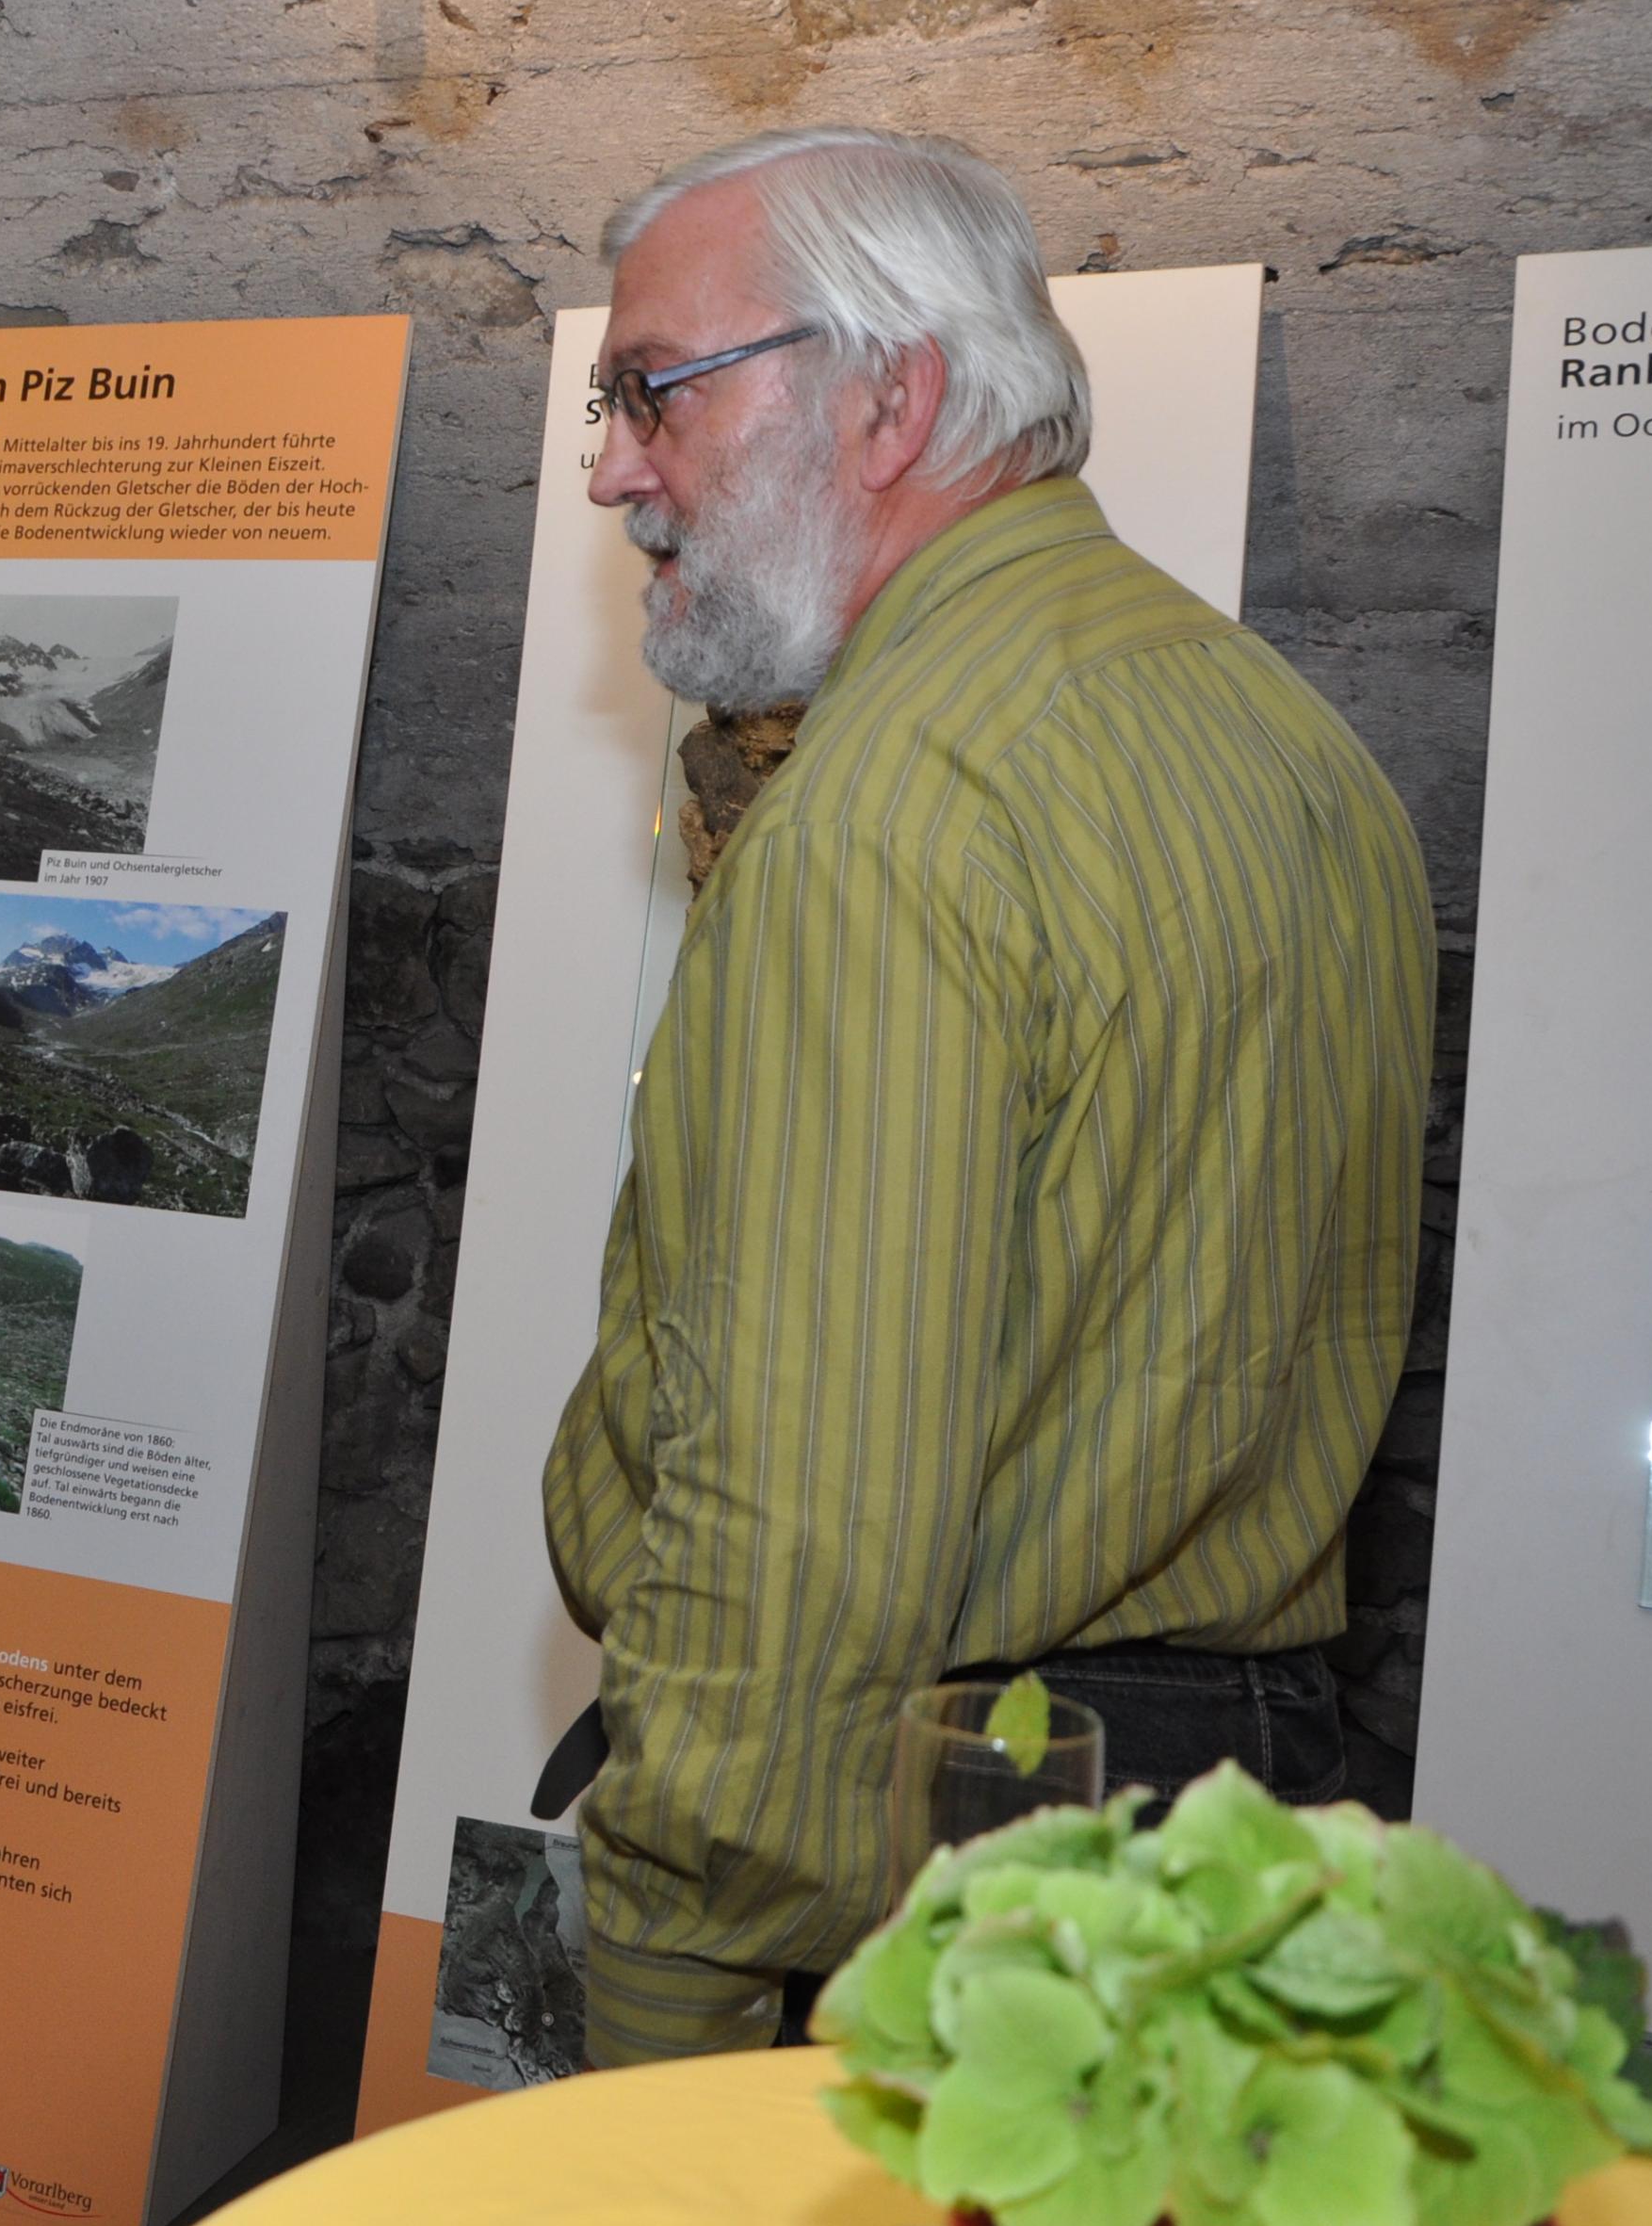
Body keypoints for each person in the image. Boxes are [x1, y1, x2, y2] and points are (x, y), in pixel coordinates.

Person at [541, 128, 1435, 2066]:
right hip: (1235, 1834)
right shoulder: (1288, 740)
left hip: (955, 1857)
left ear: (892, 399)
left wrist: (665, 1980)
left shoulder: (884, 817)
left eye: (652, 391)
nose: (611, 469)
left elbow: (795, 1539)